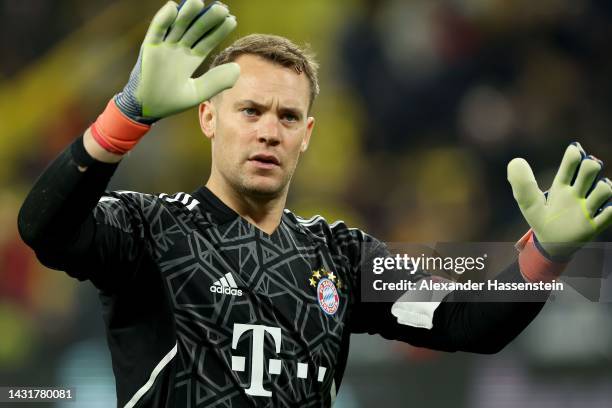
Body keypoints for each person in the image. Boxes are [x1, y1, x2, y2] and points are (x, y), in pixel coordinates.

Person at [17, 1, 612, 407]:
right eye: (249, 111)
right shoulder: (149, 228)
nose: (269, 131)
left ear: (307, 135)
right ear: (207, 117)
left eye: (288, 117)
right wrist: (128, 113)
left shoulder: (342, 255)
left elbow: (466, 321)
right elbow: (43, 226)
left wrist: (548, 254)